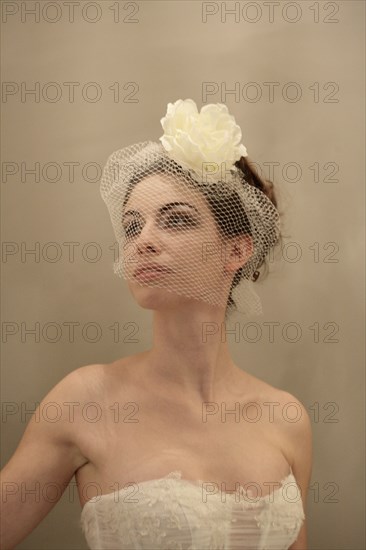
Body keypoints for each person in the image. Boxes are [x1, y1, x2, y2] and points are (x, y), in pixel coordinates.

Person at [1, 99, 312, 550]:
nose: (143, 241)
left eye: (176, 220)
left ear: (236, 251)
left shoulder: (287, 419)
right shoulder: (86, 400)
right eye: (131, 226)